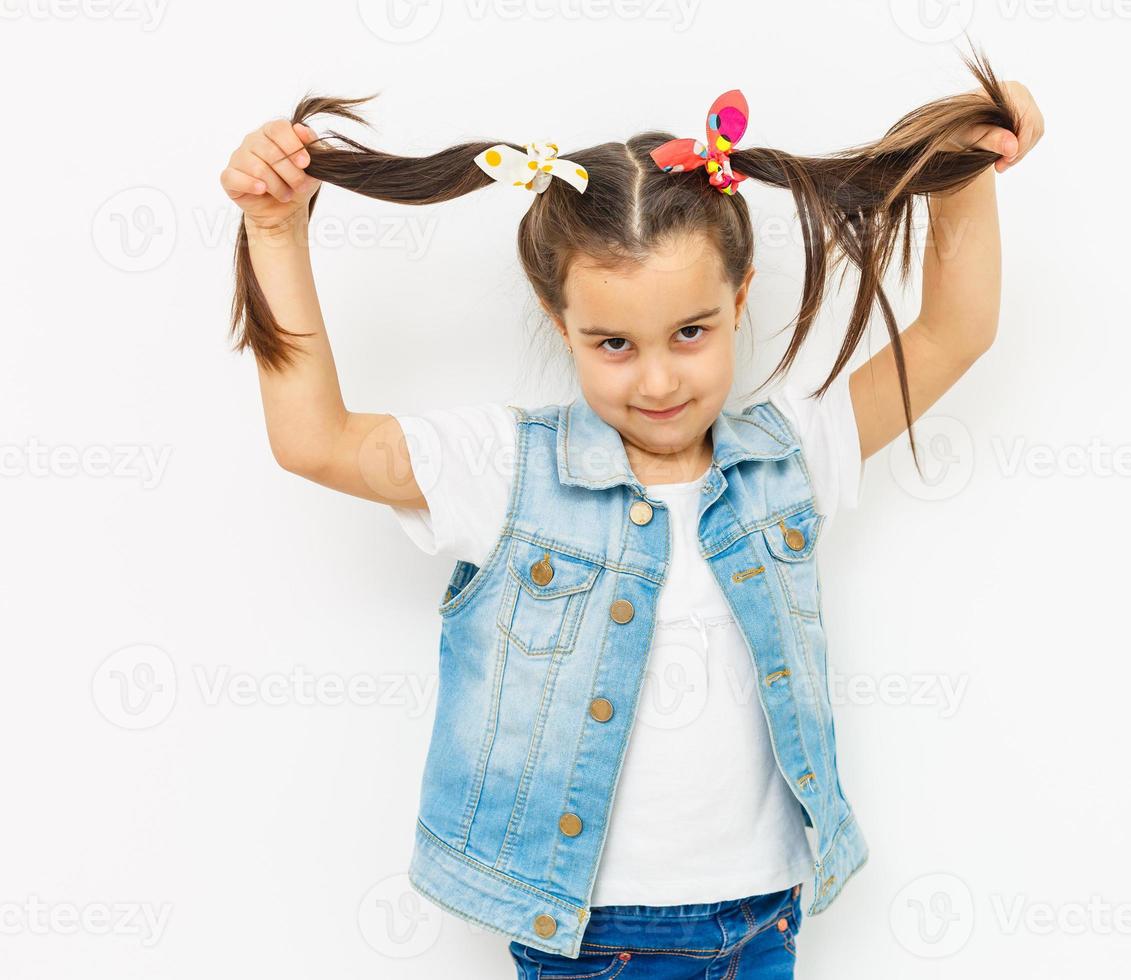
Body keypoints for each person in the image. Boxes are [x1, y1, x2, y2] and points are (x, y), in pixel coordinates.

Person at [219, 42, 1041, 978]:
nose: (657, 379)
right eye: (613, 343)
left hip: (763, 922)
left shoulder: (791, 457)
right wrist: (276, 234)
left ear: (740, 299)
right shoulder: (507, 473)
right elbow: (314, 439)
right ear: (556, 316)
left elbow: (955, 330)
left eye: (691, 332)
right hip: (590, 940)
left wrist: (967, 170)